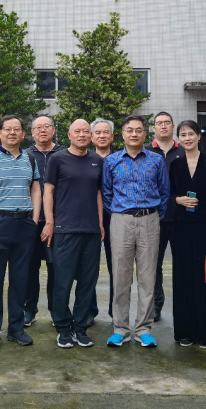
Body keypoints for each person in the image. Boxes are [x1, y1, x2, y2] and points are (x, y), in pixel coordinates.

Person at [0, 115, 42, 352]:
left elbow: (36, 190)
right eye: (7, 129)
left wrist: (34, 220)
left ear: (23, 133)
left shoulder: (30, 159)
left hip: (24, 224)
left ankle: (16, 329)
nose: (12, 133)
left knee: (20, 280)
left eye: (17, 129)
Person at [103, 115, 169, 348]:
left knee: (147, 276)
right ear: (122, 134)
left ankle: (143, 329)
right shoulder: (111, 161)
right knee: (120, 276)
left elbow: (164, 192)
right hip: (121, 220)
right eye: (129, 130)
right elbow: (107, 193)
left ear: (145, 134)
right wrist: (120, 214)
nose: (134, 134)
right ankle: (120, 329)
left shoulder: (156, 160)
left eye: (138, 130)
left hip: (149, 220)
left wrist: (153, 216)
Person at [42, 119, 104, 349]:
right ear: (69, 135)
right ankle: (62, 327)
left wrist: (100, 223)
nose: (82, 134)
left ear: (91, 136)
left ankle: (80, 328)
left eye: (86, 131)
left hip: (91, 230)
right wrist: (50, 221)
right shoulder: (58, 159)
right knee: (63, 282)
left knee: (88, 282)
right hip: (65, 229)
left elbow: (98, 193)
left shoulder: (97, 160)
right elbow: (48, 191)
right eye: (77, 131)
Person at [170, 120, 206, 348]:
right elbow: (168, 193)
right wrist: (178, 200)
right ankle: (184, 332)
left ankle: (204, 333)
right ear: (179, 139)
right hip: (181, 226)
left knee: (204, 278)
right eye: (183, 135)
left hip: (205, 225)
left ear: (199, 136)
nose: (187, 138)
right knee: (183, 277)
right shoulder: (175, 164)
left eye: (191, 134)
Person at [23, 115, 64, 327]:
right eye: (38, 127)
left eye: (47, 126)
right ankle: (29, 309)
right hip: (31, 220)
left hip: (59, 221)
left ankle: (56, 310)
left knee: (56, 268)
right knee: (30, 268)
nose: (42, 130)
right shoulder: (25, 155)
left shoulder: (64, 154)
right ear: (32, 132)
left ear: (53, 130)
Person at [144, 111, 184, 323]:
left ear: (173, 126)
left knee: (182, 263)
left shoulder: (184, 150)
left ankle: (183, 304)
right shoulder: (146, 152)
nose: (163, 126)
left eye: (167, 122)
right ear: (154, 128)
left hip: (181, 218)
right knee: (153, 264)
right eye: (159, 123)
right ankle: (156, 305)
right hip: (154, 218)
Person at [90, 118, 115, 321]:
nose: (102, 136)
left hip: (116, 217)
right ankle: (90, 310)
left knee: (116, 266)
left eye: (106, 132)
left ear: (112, 136)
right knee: (89, 267)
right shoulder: (84, 158)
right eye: (97, 132)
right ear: (92, 137)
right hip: (89, 217)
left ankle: (116, 311)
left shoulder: (121, 158)